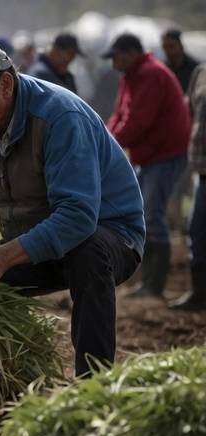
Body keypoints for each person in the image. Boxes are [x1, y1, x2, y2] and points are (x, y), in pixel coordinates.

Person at [0, 37, 145, 377]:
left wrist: (3, 256)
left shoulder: (59, 117)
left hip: (112, 238)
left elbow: (78, 217)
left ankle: (94, 383)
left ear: (5, 84)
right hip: (37, 245)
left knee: (88, 252)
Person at [104, 33, 191, 299]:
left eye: (115, 56)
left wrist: (110, 145)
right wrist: (104, 138)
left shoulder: (150, 74)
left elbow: (138, 121)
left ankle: (155, 286)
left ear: (130, 53)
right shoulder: (131, 76)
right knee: (141, 213)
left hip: (165, 153)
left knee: (153, 215)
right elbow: (120, 114)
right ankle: (146, 282)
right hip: (150, 154)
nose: (112, 63)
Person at [171, 63, 206, 311]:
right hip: (201, 169)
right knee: (197, 230)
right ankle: (199, 293)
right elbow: (190, 112)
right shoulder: (200, 73)